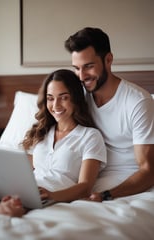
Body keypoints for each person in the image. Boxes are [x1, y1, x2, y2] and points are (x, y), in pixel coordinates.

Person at [0, 69, 106, 216]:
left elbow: (85, 187)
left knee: (4, 213)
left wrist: (51, 195)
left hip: (51, 197)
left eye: (63, 97)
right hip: (28, 193)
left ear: (75, 99)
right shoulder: (42, 132)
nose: (56, 105)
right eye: (50, 98)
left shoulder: (90, 136)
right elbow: (22, 168)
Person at [65, 27, 154, 201]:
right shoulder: (80, 98)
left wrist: (106, 195)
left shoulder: (137, 102)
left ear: (108, 59)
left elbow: (149, 171)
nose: (82, 76)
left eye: (89, 66)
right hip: (87, 178)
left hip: (127, 183)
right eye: (77, 68)